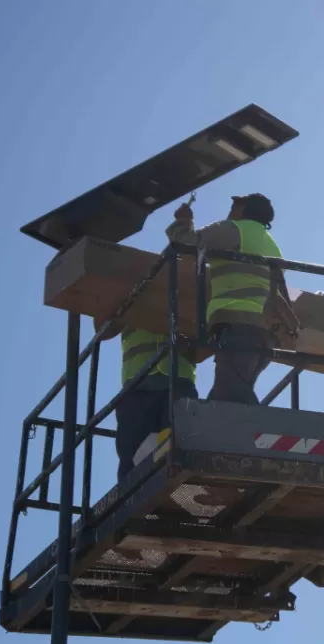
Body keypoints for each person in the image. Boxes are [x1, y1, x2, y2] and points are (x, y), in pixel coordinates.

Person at [167, 193, 299, 404]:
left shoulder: (234, 229)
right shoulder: (272, 245)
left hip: (241, 323)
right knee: (228, 393)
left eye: (235, 204)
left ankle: (254, 433)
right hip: (267, 331)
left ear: (243, 209)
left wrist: (183, 221)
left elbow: (186, 243)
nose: (230, 209)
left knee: (231, 394)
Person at [94, 321, 199, 480]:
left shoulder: (188, 297)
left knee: (178, 454)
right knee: (134, 464)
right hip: (139, 387)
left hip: (177, 383)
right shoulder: (125, 295)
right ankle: (131, 499)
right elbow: (102, 329)